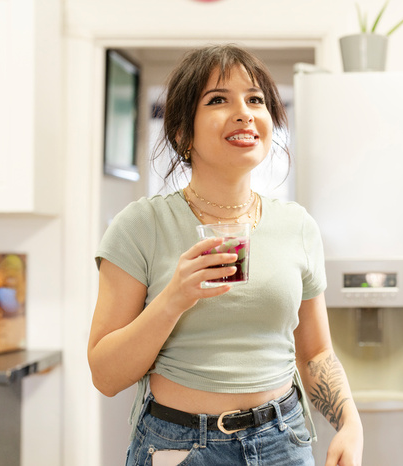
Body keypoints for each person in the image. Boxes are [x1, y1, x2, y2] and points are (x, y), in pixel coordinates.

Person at [88, 44, 364, 466]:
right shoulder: (141, 225)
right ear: (182, 132)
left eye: (256, 99)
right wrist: (174, 298)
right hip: (180, 446)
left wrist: (350, 422)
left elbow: (315, 353)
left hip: (284, 442)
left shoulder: (298, 226)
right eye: (218, 99)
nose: (245, 111)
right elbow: (105, 376)